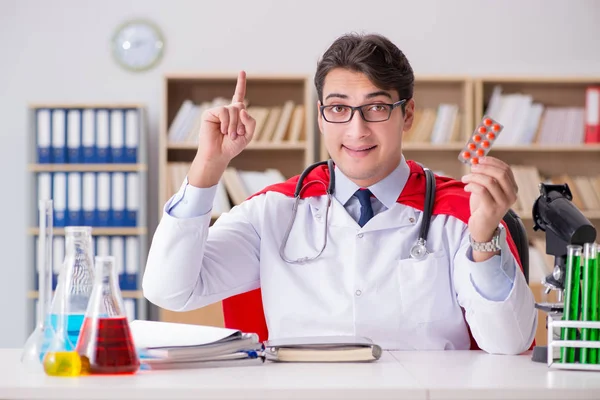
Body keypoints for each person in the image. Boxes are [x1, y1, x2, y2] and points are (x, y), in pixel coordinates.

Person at [143, 32, 537, 354]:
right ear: (320, 116)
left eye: (377, 108)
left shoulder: (458, 213)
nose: (356, 130)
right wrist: (207, 168)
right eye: (338, 108)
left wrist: (484, 239)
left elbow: (509, 344)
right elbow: (171, 291)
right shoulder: (274, 210)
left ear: (408, 115)